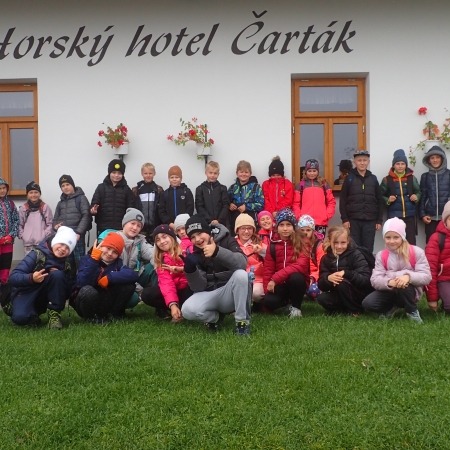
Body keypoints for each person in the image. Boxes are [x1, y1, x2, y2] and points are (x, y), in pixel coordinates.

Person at [180, 215, 251, 335]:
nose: (197, 239)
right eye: (193, 237)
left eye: (199, 233)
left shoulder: (227, 240)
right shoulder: (195, 253)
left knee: (241, 275)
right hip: (211, 295)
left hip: (230, 294)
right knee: (187, 310)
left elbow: (242, 263)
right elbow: (199, 287)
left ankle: (242, 322)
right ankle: (215, 318)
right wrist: (190, 270)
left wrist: (217, 252)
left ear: (208, 231)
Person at [4, 226, 77, 329]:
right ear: (55, 240)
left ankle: (54, 316)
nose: (63, 249)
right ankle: (26, 313)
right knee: (20, 318)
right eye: (61, 243)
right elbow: (14, 277)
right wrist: (31, 278)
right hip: (27, 291)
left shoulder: (66, 265)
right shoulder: (36, 254)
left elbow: (69, 290)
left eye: (67, 248)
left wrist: (61, 279)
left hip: (45, 295)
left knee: (57, 275)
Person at [362, 217, 431, 323]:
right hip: (390, 290)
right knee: (368, 303)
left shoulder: (416, 252)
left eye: (396, 237)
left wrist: (408, 277)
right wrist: (390, 282)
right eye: (388, 237)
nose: (392, 241)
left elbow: (426, 276)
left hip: (409, 290)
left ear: (402, 237)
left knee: (404, 286)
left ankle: (412, 310)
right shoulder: (381, 255)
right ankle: (392, 307)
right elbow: (375, 279)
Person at [72, 232, 138, 324]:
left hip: (104, 300)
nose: (110, 253)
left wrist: (110, 277)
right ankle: (91, 318)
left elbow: (133, 275)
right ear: (101, 246)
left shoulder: (117, 263)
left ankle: (113, 314)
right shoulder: (86, 259)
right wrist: (94, 260)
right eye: (108, 248)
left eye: (115, 252)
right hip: (86, 302)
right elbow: (83, 283)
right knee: (87, 290)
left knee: (129, 286)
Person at [263, 208, 309, 317]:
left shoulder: (303, 242)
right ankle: (287, 304)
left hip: (296, 283)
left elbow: (300, 265)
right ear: (277, 227)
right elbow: (268, 270)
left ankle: (296, 308)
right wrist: (267, 292)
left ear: (293, 227)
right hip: (280, 285)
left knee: (296, 277)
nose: (285, 228)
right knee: (269, 301)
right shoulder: (272, 245)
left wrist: (275, 278)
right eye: (281, 225)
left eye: (288, 225)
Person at [317, 225, 373, 316]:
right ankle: (343, 309)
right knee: (322, 298)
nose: (339, 246)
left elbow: (365, 279)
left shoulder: (356, 255)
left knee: (341, 282)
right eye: (336, 242)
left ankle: (355, 310)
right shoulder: (325, 258)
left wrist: (346, 273)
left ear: (348, 241)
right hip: (339, 293)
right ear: (329, 241)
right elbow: (321, 285)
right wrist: (328, 278)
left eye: (343, 242)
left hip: (358, 293)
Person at [141, 224, 192, 322]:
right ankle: (176, 309)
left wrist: (181, 269)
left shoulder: (187, 249)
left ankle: (187, 308)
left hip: (190, 288)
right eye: (158, 240)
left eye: (164, 237)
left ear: (172, 237)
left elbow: (197, 271)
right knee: (147, 294)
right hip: (175, 290)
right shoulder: (160, 259)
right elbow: (166, 283)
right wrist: (173, 304)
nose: (162, 241)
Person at [339, 150, 383, 253]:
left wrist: (379, 220)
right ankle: (356, 264)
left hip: (370, 220)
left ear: (368, 162)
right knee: (354, 247)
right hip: (353, 221)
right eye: (359, 160)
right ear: (354, 162)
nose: (362, 163)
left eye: (364, 160)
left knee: (368, 248)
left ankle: (367, 264)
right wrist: (345, 219)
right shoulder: (349, 179)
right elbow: (343, 200)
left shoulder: (373, 179)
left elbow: (379, 200)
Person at [116, 208, 156, 311]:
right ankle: (115, 308)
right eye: (132, 223)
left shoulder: (140, 240)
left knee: (156, 265)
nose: (135, 228)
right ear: (124, 223)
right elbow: (119, 273)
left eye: (139, 226)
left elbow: (153, 254)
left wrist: (159, 265)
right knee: (133, 299)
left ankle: (160, 304)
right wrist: (140, 290)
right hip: (118, 280)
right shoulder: (115, 239)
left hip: (135, 278)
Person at [381, 149, 421, 245]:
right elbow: (380, 195)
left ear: (406, 165)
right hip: (394, 217)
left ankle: (410, 256)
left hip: (410, 216)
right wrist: (388, 200)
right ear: (393, 165)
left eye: (402, 164)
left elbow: (419, 192)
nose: (400, 166)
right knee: (396, 242)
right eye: (397, 164)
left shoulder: (412, 178)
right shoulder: (387, 180)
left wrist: (416, 197)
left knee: (410, 242)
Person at [53, 174, 91, 268]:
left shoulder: (81, 198)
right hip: (64, 238)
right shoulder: (60, 203)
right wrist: (55, 226)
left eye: (67, 184)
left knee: (80, 262)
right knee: (67, 264)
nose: (65, 187)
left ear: (72, 185)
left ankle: (80, 278)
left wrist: (79, 233)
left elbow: (86, 215)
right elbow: (55, 219)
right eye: (63, 186)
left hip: (77, 236)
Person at [292, 159, 336, 236]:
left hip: (321, 222)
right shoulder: (301, 185)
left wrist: (327, 215)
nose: (312, 173)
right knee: (305, 242)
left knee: (319, 242)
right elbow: (296, 203)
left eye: (314, 171)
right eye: (309, 171)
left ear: (318, 171)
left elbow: (331, 201)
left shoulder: (324, 184)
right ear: (306, 171)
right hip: (305, 223)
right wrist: (299, 217)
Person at [90, 159, 133, 235]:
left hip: (121, 229)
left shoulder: (127, 189)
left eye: (119, 173)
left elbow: (131, 208)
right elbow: (94, 203)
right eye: (114, 172)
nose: (116, 175)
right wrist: (93, 210)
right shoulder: (101, 188)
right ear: (109, 173)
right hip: (103, 228)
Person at [234, 213, 266, 307]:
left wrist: (261, 251)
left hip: (256, 279)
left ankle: (257, 304)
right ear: (237, 230)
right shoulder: (232, 244)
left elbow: (271, 256)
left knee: (256, 294)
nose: (246, 231)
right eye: (243, 228)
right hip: (237, 279)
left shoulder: (258, 243)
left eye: (249, 228)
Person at [419, 146, 450, 243]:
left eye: (437, 157)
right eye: (432, 158)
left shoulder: (449, 174)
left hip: (447, 218)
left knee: (446, 245)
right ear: (428, 160)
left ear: (442, 159)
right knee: (431, 244)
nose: (435, 160)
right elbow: (423, 197)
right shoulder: (425, 176)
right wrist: (423, 215)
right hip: (430, 219)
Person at [425, 201, 450, 313]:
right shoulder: (437, 238)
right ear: (445, 221)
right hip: (443, 279)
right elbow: (430, 268)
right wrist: (432, 298)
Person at [228, 160, 264, 233]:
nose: (243, 174)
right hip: (235, 223)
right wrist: (230, 205)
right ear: (237, 173)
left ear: (250, 174)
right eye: (241, 172)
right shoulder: (232, 188)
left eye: (246, 172)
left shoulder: (256, 187)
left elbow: (261, 205)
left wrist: (246, 207)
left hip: (251, 222)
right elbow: (225, 202)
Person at [18, 181, 53, 256]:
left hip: (42, 242)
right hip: (28, 243)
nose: (33, 195)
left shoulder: (45, 207)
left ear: (40, 194)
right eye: (31, 192)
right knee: (29, 261)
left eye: (36, 192)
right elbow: (20, 224)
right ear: (27, 194)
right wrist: (23, 236)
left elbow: (50, 223)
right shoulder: (23, 208)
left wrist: (45, 235)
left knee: (41, 261)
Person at [132, 162, 163, 244]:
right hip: (140, 226)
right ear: (142, 174)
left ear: (154, 173)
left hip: (155, 226)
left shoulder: (159, 190)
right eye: (145, 173)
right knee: (140, 246)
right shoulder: (136, 190)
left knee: (155, 246)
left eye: (150, 173)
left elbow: (162, 208)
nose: (148, 175)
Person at [297, 215, 324, 301]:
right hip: (302, 275)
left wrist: (313, 277)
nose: (305, 233)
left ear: (313, 231)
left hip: (316, 277)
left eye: (308, 230)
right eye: (302, 230)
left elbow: (322, 267)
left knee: (313, 290)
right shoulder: (295, 244)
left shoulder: (319, 246)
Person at [195, 161, 229, 227]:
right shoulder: (200, 189)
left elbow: (225, 205)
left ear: (218, 174)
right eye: (210, 173)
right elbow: (199, 206)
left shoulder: (222, 188)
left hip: (221, 223)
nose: (212, 175)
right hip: (205, 223)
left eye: (215, 173)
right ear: (206, 173)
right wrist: (210, 220)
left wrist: (219, 220)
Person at [0, 177, 19, 284]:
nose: (2, 190)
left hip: (8, 242)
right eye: (0, 188)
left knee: (6, 265)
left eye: (4, 188)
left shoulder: (11, 203)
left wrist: (11, 235)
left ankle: (4, 287)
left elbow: (16, 220)